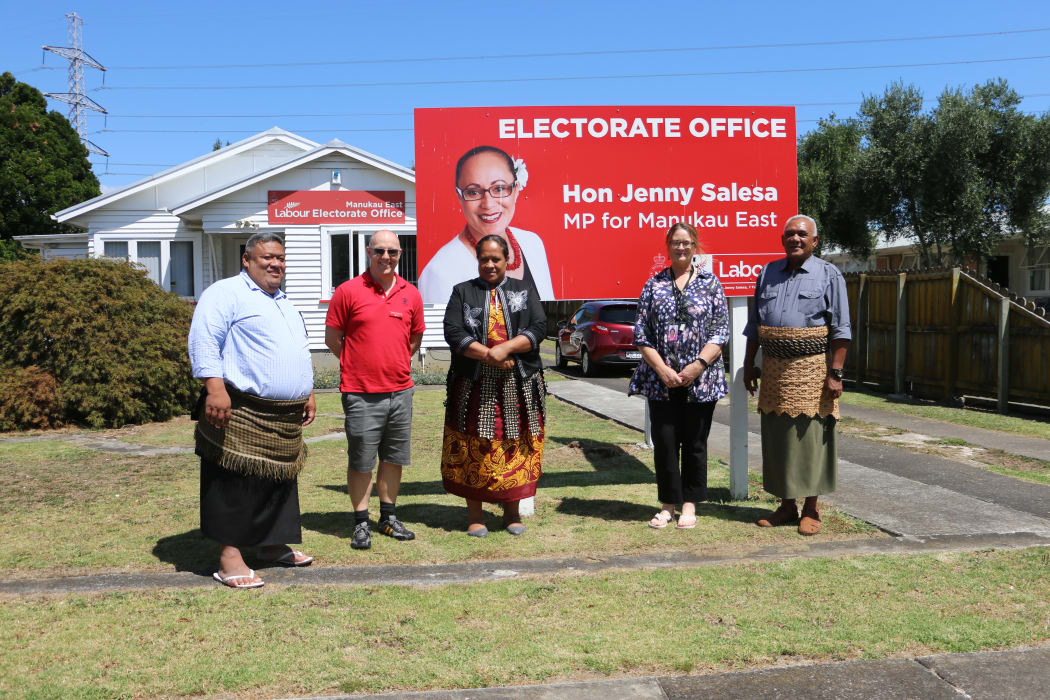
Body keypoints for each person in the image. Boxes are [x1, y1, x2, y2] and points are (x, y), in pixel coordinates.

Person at [188, 232, 317, 589]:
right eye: (267, 258)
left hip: (284, 413)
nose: (276, 264)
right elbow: (203, 339)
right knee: (233, 482)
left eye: (280, 258)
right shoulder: (226, 293)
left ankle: (271, 543)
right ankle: (230, 557)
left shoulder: (285, 302)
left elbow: (299, 349)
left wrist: (306, 391)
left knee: (278, 481)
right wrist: (214, 388)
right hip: (240, 408)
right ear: (246, 260)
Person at [743, 215, 851, 536]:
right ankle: (787, 505)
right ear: (782, 239)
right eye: (789, 234)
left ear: (815, 241)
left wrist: (836, 373)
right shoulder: (767, 273)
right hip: (774, 370)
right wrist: (750, 364)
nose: (795, 239)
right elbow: (754, 326)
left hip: (812, 371)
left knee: (811, 439)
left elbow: (841, 330)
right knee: (778, 439)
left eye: (802, 234)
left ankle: (811, 508)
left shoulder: (829, 274)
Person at [440, 234, 547, 536]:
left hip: (519, 386)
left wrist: (507, 348)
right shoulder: (463, 292)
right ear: (477, 260)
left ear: (506, 259)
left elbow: (539, 327)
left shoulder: (524, 290)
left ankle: (512, 513)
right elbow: (453, 331)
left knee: (516, 444)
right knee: (473, 444)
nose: (489, 264)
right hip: (473, 386)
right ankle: (476, 515)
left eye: (495, 259)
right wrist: (488, 355)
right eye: (483, 259)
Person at [325, 230, 425, 550]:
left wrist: (391, 362)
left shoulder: (412, 293)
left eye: (392, 252)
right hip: (361, 392)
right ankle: (360, 523)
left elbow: (414, 340)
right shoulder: (348, 291)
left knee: (394, 458)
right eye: (379, 250)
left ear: (400, 254)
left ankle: (388, 518)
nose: (386, 257)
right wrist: (357, 364)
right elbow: (333, 338)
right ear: (369, 252)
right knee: (362, 460)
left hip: (400, 391)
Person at [628, 222, 729, 530]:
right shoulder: (653, 284)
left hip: (701, 380)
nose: (681, 247)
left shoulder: (711, 284)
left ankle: (690, 504)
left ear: (694, 245)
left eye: (686, 242)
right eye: (675, 242)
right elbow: (641, 333)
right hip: (662, 382)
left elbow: (720, 330)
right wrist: (662, 370)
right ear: (668, 246)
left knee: (695, 443)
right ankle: (668, 505)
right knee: (666, 442)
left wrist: (698, 365)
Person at [417, 145, 555, 303]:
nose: (488, 204)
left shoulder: (532, 243)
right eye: (473, 192)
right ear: (460, 197)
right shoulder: (440, 272)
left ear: (516, 190)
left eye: (500, 188)